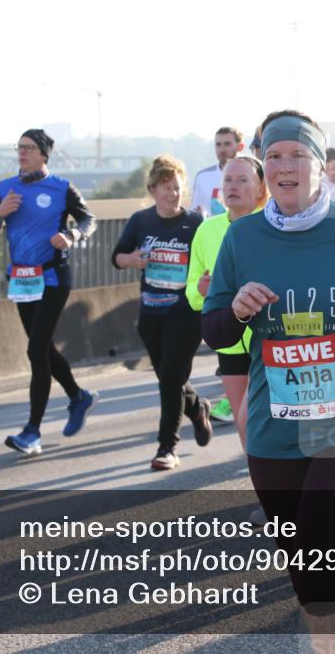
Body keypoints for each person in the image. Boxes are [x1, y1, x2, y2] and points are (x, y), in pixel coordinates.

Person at [202, 110, 335, 650]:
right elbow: (214, 330)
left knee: (322, 571)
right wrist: (237, 309)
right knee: (307, 578)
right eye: (274, 156)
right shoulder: (242, 237)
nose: (285, 166)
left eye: (298, 155)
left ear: (320, 166)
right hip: (276, 431)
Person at [0, 129, 99, 456]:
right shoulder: (5, 188)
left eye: (29, 148)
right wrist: (0, 212)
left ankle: (32, 431)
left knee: (35, 350)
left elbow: (89, 220)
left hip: (53, 276)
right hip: (21, 278)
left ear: (44, 154)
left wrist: (72, 235)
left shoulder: (61, 187)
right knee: (42, 347)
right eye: (19, 147)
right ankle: (78, 397)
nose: (22, 152)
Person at [112, 155, 213, 470]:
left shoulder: (195, 223)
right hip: (151, 314)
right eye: (167, 188)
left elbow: (209, 262)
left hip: (186, 312)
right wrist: (132, 260)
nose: (174, 194)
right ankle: (197, 409)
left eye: (178, 188)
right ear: (153, 190)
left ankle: (167, 448)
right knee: (170, 378)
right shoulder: (141, 221)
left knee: (169, 378)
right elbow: (117, 257)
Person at [187, 156, 267, 445]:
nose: (233, 186)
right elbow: (191, 293)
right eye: (228, 180)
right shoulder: (206, 230)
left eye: (243, 180)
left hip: (269, 338)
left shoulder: (273, 226)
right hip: (230, 340)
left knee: (260, 419)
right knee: (244, 427)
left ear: (261, 189)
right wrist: (201, 290)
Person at [190, 126, 245, 218]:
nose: (222, 149)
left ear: (240, 147)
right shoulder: (202, 177)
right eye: (218, 145)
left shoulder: (253, 175)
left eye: (227, 144)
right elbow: (194, 212)